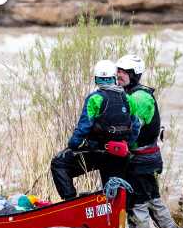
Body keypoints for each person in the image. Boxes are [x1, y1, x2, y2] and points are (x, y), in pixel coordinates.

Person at [51, 60, 137, 201]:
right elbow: (135, 128)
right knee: (113, 192)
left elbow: (83, 128)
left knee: (58, 163)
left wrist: (71, 146)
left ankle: (71, 204)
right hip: (121, 154)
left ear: (96, 79)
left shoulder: (94, 99)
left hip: (97, 153)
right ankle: (112, 218)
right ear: (114, 77)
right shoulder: (127, 99)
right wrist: (126, 145)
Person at [115, 54, 181, 228]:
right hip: (148, 158)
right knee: (153, 201)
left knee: (137, 204)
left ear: (134, 75)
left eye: (124, 72)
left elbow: (131, 129)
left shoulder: (139, 98)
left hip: (141, 160)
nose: (119, 75)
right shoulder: (132, 94)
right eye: (118, 71)